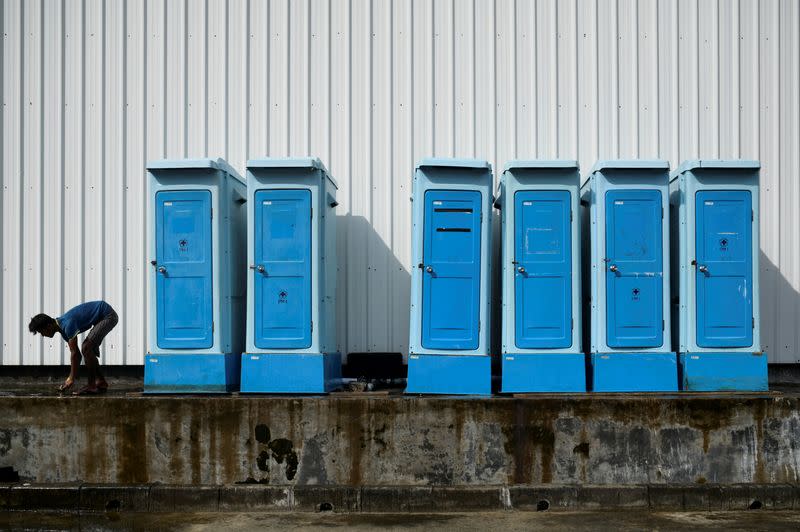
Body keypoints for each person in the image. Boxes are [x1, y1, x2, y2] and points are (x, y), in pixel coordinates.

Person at [28, 300, 118, 395]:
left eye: (41, 331)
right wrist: (70, 379)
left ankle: (92, 386)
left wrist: (71, 378)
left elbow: (74, 353)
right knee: (88, 349)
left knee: (86, 347)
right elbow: (77, 355)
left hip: (108, 315)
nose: (42, 335)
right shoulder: (63, 329)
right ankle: (101, 382)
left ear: (48, 326)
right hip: (102, 316)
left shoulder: (67, 325)